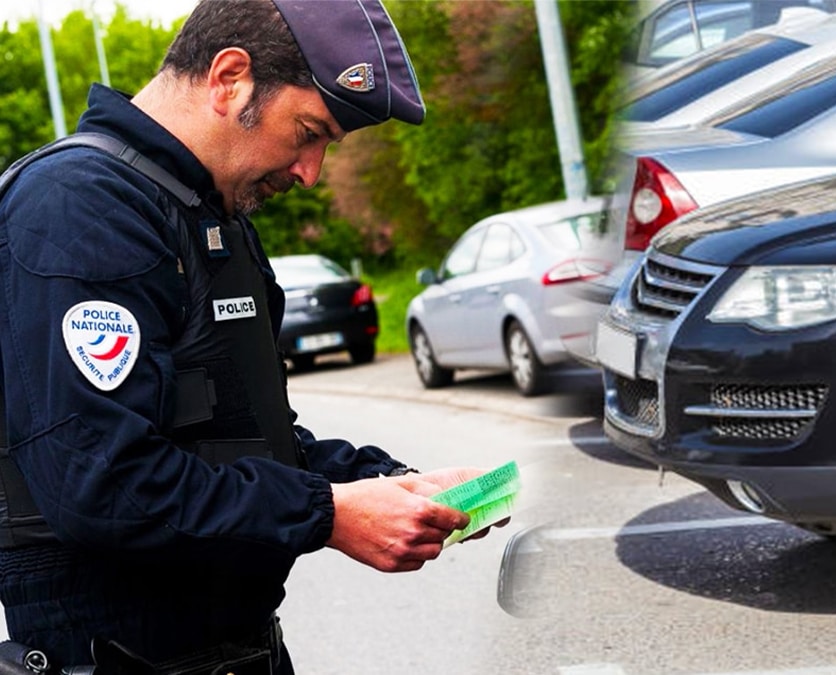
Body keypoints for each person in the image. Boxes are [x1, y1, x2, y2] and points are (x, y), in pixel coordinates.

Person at [0, 0, 502, 672]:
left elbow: (251, 445)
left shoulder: (212, 219)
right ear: (230, 79)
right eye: (308, 132)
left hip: (238, 652)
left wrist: (394, 485)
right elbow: (103, 483)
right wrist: (328, 514)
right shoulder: (78, 208)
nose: (310, 172)